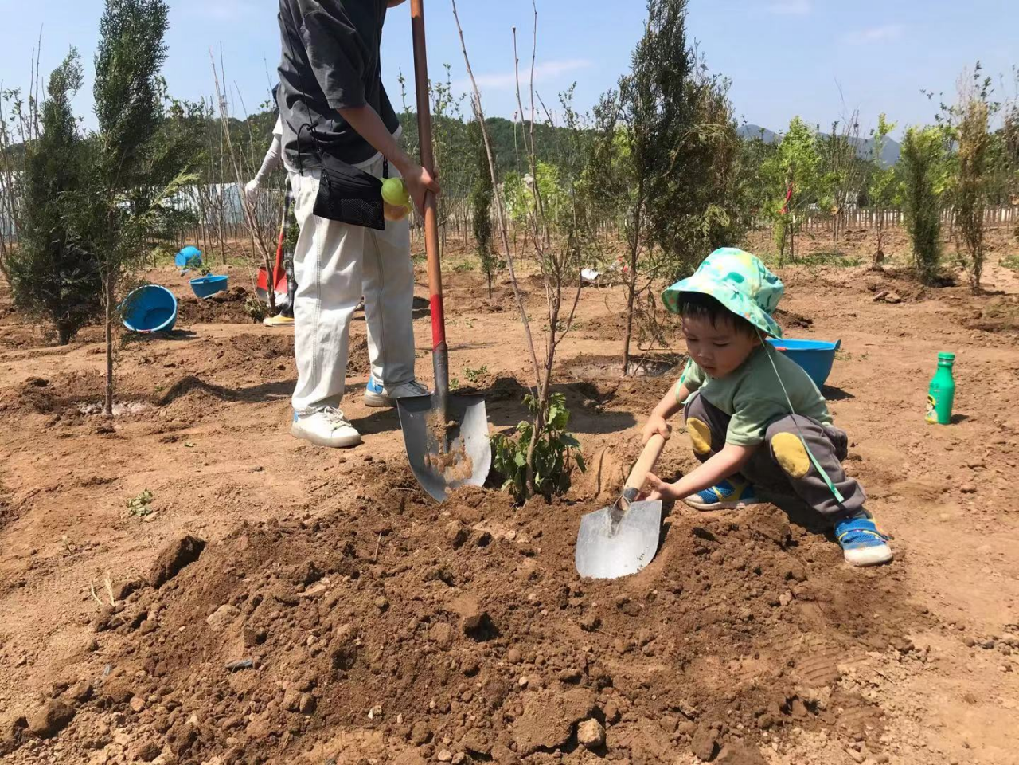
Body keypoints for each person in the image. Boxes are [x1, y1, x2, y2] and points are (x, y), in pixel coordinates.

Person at [640, 248, 893, 567]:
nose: (703, 353)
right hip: (759, 450)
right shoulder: (710, 359)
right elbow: (686, 382)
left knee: (787, 435)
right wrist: (659, 413)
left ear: (757, 335)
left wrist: (676, 490)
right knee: (698, 407)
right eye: (692, 339)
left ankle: (851, 515)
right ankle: (738, 484)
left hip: (809, 451)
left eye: (719, 343)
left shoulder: (761, 382)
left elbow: (735, 452)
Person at [277, 0, 438, 448]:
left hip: (374, 146)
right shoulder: (322, 5)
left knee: (390, 270)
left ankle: (392, 378)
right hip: (331, 155)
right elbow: (345, 99)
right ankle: (314, 405)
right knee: (332, 282)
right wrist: (407, 166)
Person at [245, 112, 297, 328]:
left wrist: (258, 180)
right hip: (337, 180)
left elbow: (275, 150)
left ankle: (293, 308)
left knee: (294, 246)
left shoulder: (289, 104)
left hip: (300, 181)